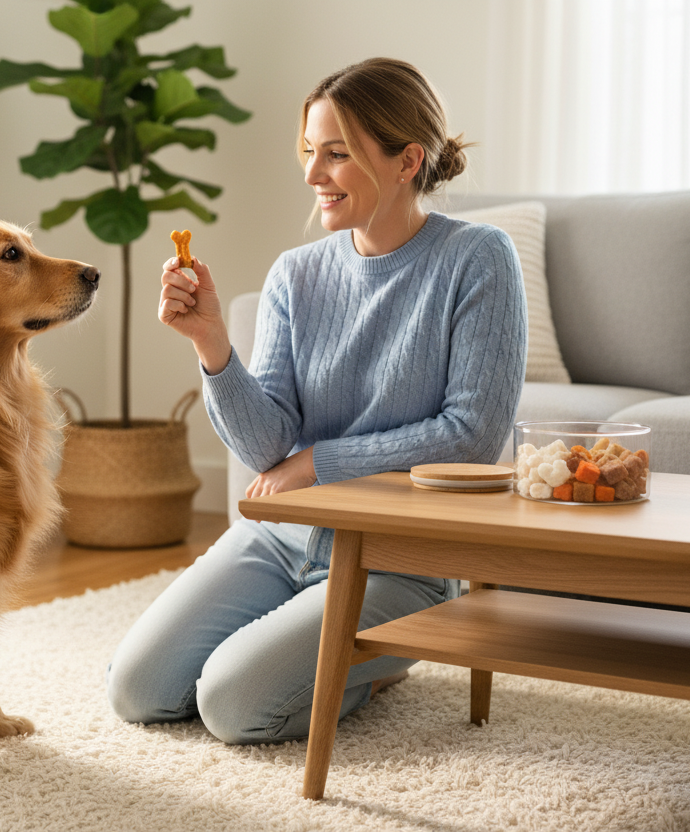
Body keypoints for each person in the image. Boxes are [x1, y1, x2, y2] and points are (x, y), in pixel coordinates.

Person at [105, 58, 527, 745]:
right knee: (138, 689)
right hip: (283, 539)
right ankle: (329, 645)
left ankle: (380, 662)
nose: (312, 174)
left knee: (232, 704)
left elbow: (472, 435)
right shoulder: (295, 275)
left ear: (405, 160)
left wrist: (318, 463)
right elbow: (269, 447)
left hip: (401, 560)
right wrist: (213, 346)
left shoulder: (479, 258)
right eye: (309, 152)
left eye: (336, 154)